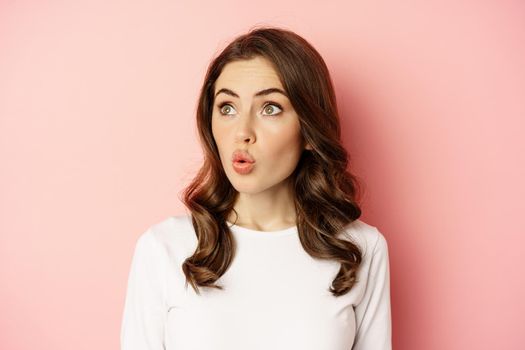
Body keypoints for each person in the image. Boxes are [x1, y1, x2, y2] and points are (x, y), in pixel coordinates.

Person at [120, 25, 392, 350]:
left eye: (270, 108)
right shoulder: (164, 248)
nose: (242, 132)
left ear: (308, 129)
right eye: (227, 108)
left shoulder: (361, 249)